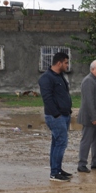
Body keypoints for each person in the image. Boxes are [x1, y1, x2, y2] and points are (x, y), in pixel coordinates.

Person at [38, 51, 73, 182]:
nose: (67, 65)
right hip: (56, 117)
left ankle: (57, 168)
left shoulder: (60, 76)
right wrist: (56, 114)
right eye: (66, 62)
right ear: (59, 63)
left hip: (64, 115)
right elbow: (47, 99)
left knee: (57, 143)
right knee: (61, 143)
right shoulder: (46, 78)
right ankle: (54, 173)